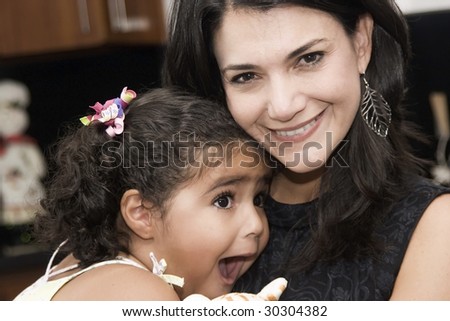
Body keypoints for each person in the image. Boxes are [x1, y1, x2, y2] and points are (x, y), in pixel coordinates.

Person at [162, 0, 450, 300]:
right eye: (245, 77)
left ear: (361, 43)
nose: (284, 107)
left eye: (309, 58)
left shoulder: (435, 227)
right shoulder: (180, 209)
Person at [14, 86, 279, 301]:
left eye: (259, 199)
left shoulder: (82, 271)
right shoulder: (135, 293)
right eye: (224, 200)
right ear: (142, 214)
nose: (256, 224)